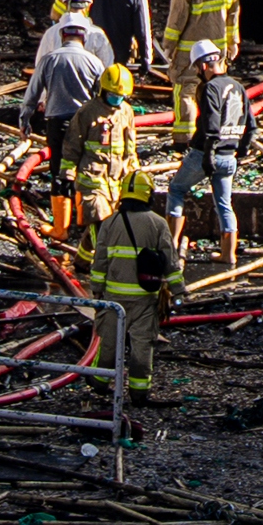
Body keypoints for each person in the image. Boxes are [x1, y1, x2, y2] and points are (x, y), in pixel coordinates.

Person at [93, 170, 175, 424]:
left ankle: (98, 382)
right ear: (148, 195)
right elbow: (170, 262)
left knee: (108, 346)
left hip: (112, 301)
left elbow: (99, 263)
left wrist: (97, 294)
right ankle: (139, 393)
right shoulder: (158, 223)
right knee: (142, 348)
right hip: (144, 302)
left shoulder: (110, 222)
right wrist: (178, 293)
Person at [23, 0, 112, 209]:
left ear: (63, 34)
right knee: (84, 164)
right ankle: (80, 215)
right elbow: (103, 94)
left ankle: (60, 221)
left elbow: (32, 93)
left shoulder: (50, 60)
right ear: (83, 36)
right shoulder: (94, 63)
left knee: (58, 168)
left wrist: (24, 120)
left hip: (56, 122)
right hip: (85, 122)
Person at [167, 38, 252, 247]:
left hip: (205, 153)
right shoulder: (238, 87)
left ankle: (169, 244)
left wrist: (208, 154)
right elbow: (252, 125)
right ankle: (228, 254)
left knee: (176, 189)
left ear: (203, 66)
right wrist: (241, 151)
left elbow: (212, 125)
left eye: (197, 68)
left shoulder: (210, 88)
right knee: (224, 204)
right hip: (228, 157)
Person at [162, 0, 242, 123]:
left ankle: (184, 140)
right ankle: (214, 131)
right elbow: (233, 12)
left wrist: (168, 46)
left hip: (190, 51)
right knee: (215, 91)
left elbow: (177, 17)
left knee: (186, 92)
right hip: (218, 49)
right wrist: (233, 42)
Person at [83, 59, 147, 212]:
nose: (117, 99)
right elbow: (72, 144)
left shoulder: (126, 111)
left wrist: (133, 169)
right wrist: (68, 174)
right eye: (113, 94)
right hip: (93, 174)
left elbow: (130, 145)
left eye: (120, 95)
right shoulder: (88, 112)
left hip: (118, 174)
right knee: (97, 213)